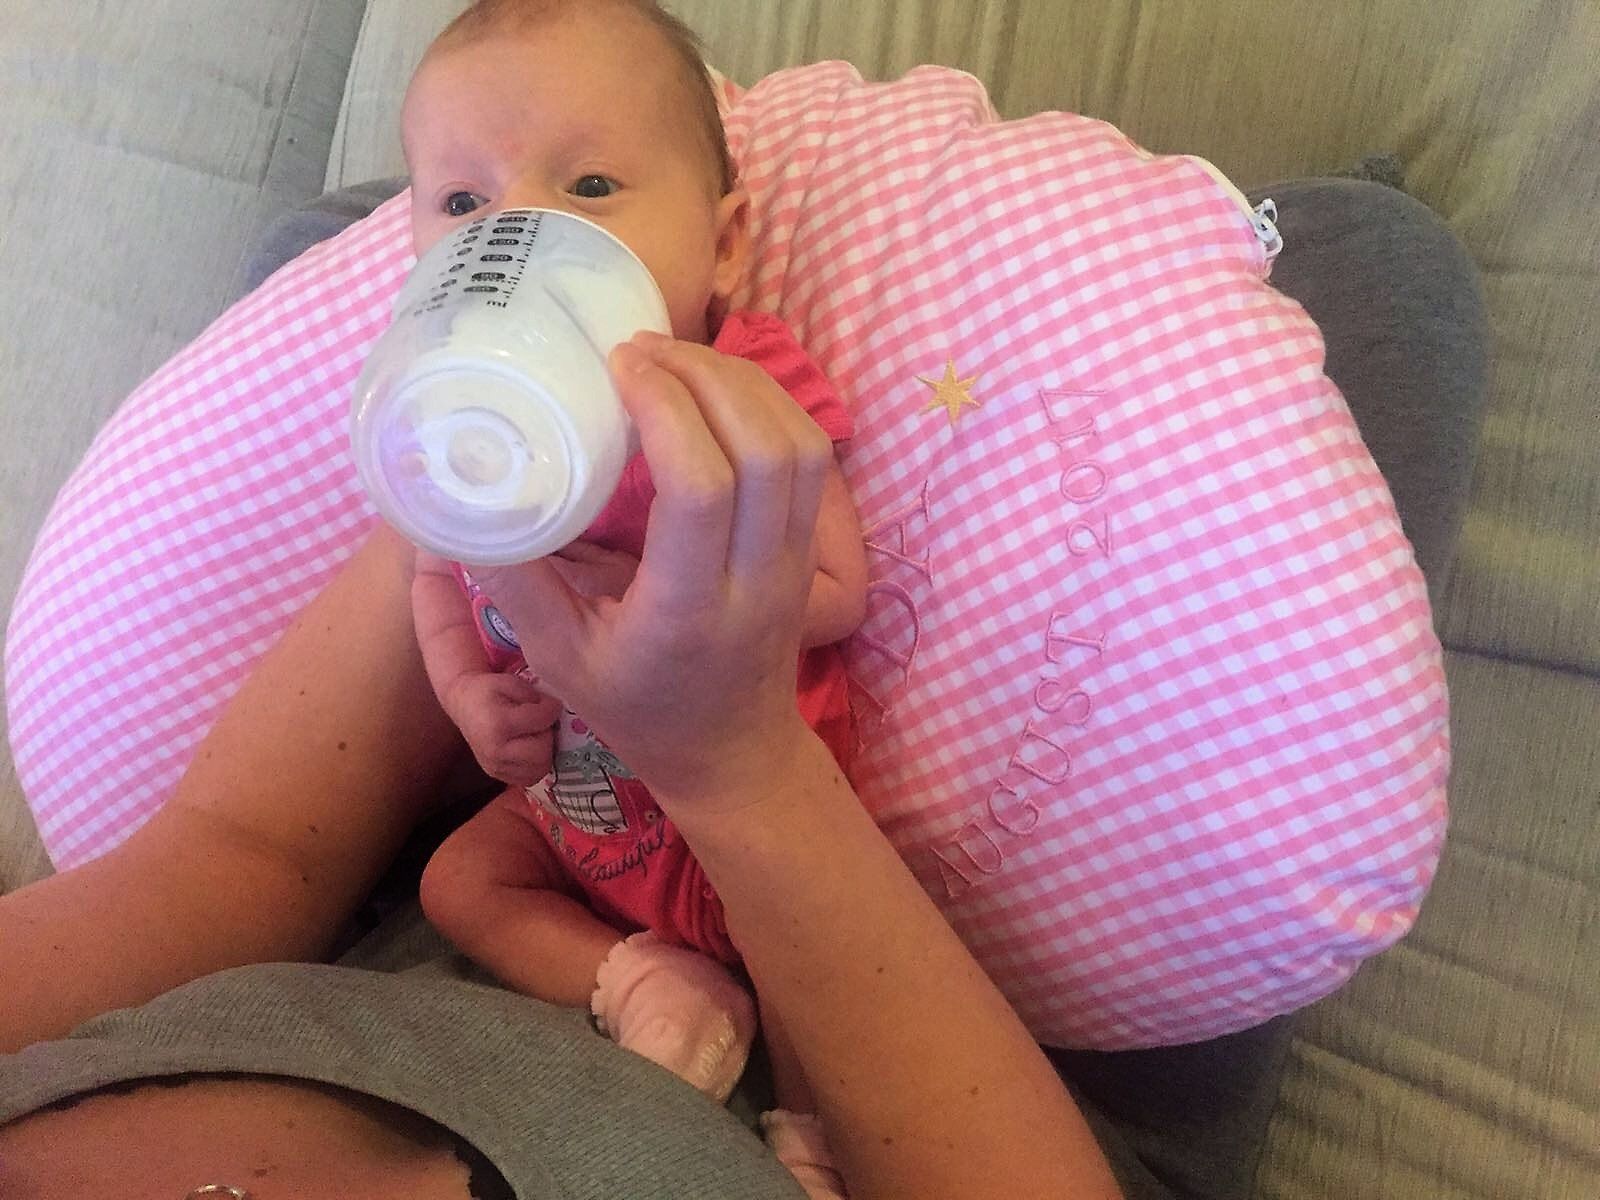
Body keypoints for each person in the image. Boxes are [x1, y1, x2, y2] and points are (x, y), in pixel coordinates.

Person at [397, 7, 868, 1177]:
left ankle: (811, 1140)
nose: (518, 233)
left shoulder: (735, 388)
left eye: (592, 186)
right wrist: (465, 694)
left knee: (813, 944)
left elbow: (839, 587)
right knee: (459, 882)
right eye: (462, 202)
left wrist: (674, 593)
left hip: (737, 807)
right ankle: (650, 981)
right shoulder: (451, 416)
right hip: (574, 805)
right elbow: (431, 568)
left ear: (722, 246)